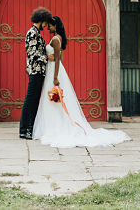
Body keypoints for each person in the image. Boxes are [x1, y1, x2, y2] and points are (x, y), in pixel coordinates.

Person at [33, 15, 131, 147]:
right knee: (54, 99)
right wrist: (50, 59)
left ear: (55, 25)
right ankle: (54, 123)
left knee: (54, 98)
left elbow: (57, 60)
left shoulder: (56, 40)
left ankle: (56, 125)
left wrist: (55, 77)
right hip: (53, 70)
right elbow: (59, 58)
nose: (48, 27)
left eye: (50, 25)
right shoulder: (58, 38)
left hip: (54, 72)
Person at [19, 7, 53, 140]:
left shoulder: (37, 33)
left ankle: (30, 128)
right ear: (41, 20)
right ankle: (24, 129)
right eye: (45, 22)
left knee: (34, 100)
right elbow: (32, 54)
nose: (46, 25)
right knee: (30, 100)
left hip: (39, 71)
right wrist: (47, 58)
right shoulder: (32, 33)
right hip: (35, 71)